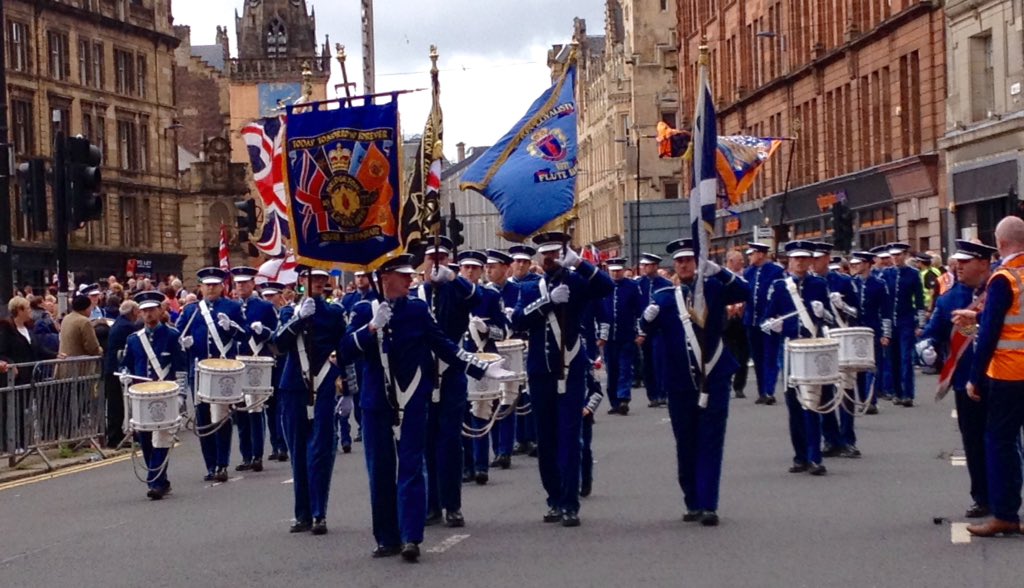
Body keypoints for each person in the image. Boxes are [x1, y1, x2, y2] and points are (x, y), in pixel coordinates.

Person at [344, 253, 512, 561]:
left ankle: (411, 536)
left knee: (411, 467)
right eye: (403, 275)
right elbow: (343, 352)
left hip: (413, 400)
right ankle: (387, 538)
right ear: (385, 278)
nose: (410, 279)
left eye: (410, 275)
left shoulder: (418, 311)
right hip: (377, 404)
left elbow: (445, 346)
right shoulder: (361, 310)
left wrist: (481, 368)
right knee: (380, 471)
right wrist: (370, 329)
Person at [639, 239, 749, 525]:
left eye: (689, 260)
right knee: (685, 443)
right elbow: (641, 337)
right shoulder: (664, 298)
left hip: (714, 376)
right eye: (680, 261)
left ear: (697, 263)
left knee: (711, 441)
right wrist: (645, 320)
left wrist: (720, 271)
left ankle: (709, 503)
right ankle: (692, 500)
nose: (684, 265)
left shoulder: (712, 288)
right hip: (679, 383)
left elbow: (743, 291)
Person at [511, 232, 614, 527]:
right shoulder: (531, 288)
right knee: (546, 439)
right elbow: (517, 321)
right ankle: (554, 498)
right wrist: (546, 303)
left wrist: (580, 264)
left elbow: (605, 287)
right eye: (544, 254)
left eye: (555, 253)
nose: (549, 259)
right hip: (540, 372)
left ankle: (570, 503)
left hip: (570, 371)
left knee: (569, 438)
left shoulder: (577, 282)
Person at [921, 240, 996, 520]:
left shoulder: (998, 290)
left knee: (1002, 440)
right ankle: (982, 497)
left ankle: (1005, 496)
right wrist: (926, 346)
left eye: (966, 261)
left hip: (998, 377)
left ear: (984, 263)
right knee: (974, 441)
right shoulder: (949, 298)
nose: (959, 266)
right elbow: (934, 331)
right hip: (965, 380)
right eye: (958, 261)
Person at [414, 236, 482, 528]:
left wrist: (454, 279)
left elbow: (476, 299)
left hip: (452, 371)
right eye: (432, 260)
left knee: (450, 443)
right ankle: (431, 505)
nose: (435, 265)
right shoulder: (417, 294)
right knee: (426, 442)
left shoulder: (457, 291)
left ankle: (453, 505)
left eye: (441, 260)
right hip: (424, 373)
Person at [274, 268, 345, 536]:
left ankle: (319, 513)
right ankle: (301, 513)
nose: (316, 283)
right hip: (294, 385)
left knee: (321, 451)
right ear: (301, 281)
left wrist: (348, 389)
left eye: (320, 279)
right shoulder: (287, 312)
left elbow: (345, 348)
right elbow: (278, 344)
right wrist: (298, 320)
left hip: (324, 384)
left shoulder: (334, 313)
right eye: (310, 278)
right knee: (298, 452)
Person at [966, 217, 1024, 537]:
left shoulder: (1004, 278)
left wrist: (975, 377)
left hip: (1010, 373)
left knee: (1001, 442)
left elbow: (989, 332)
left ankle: (1005, 514)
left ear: (1000, 244)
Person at [762, 241, 833, 475]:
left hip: (813, 346)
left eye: (804, 258)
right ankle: (800, 456)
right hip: (791, 348)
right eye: (796, 259)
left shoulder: (819, 284)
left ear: (810, 261)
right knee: (794, 403)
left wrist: (823, 313)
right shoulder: (780, 286)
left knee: (812, 401)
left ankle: (815, 457)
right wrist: (775, 325)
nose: (800, 263)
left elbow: (831, 319)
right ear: (789, 261)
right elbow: (766, 320)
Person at [175, 267, 247, 482]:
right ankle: (210, 465)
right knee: (204, 419)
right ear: (200, 287)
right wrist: (184, 345)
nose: (210, 288)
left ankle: (222, 463)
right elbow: (179, 336)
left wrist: (231, 327)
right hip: (198, 371)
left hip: (222, 369)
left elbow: (245, 333)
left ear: (222, 286)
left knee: (222, 418)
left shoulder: (232, 307)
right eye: (207, 285)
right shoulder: (191, 311)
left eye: (215, 285)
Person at [119, 291, 187, 500]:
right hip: (142, 395)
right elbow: (127, 364)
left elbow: (181, 368)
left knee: (162, 438)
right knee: (146, 439)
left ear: (160, 310)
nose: (148, 314)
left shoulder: (173, 336)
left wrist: (181, 394)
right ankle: (161, 478)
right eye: (145, 311)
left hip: (165, 393)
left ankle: (155, 481)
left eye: (152, 310)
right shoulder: (134, 339)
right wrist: (124, 374)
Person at [458, 250, 509, 485]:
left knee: (481, 410)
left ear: (480, 271)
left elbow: (505, 330)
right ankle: (466, 465)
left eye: (474, 268)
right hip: (457, 360)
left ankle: (480, 465)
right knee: (460, 413)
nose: (470, 272)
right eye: (466, 268)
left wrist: (487, 331)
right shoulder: (450, 293)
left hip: (483, 358)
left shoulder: (489, 296)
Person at [231, 266, 279, 472]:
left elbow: (277, 335)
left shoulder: (265, 307)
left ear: (252, 284)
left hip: (257, 360)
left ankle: (257, 455)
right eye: (238, 283)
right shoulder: (232, 307)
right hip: (238, 361)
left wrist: (264, 331)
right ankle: (246, 455)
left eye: (244, 283)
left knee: (255, 408)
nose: (241, 286)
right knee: (240, 411)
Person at [485, 249, 521, 469]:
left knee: (509, 398)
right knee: (490, 400)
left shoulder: (517, 290)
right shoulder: (482, 292)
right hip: (488, 352)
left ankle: (505, 449)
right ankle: (496, 447)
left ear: (506, 268)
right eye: (487, 267)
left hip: (513, 350)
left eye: (494, 266)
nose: (489, 270)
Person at [847, 252, 891, 416]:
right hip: (856, 329)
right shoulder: (852, 283)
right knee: (857, 367)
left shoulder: (879, 284)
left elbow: (886, 311)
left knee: (872, 366)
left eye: (859, 263)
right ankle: (861, 399)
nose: (856, 266)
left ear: (867, 264)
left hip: (873, 330)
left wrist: (886, 334)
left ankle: (871, 401)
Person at [597, 257, 642, 414]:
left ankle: (624, 398)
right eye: (613, 271)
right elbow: (599, 313)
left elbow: (639, 311)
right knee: (612, 370)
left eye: (618, 271)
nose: (615, 274)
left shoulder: (632, 287)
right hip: (609, 338)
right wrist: (600, 335)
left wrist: (640, 332)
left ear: (623, 270)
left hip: (627, 335)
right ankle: (614, 402)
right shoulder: (603, 287)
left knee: (625, 368)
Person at [883, 243, 925, 406]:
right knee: (892, 357)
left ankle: (908, 393)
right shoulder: (886, 274)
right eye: (893, 256)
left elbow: (919, 299)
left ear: (905, 255)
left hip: (906, 319)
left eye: (899, 255)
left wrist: (920, 324)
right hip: (890, 321)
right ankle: (897, 392)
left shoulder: (913, 274)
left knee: (906, 357)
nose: (895, 258)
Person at [743, 243, 785, 405]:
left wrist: (778, 315)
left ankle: (769, 390)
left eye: (752, 254)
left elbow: (780, 294)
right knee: (757, 356)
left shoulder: (775, 271)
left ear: (760, 254)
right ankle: (762, 391)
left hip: (769, 320)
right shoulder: (749, 272)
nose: (750, 257)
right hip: (751, 321)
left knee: (770, 355)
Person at [340, 270, 378, 445]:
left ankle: (366, 426)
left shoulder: (376, 296)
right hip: (353, 349)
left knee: (367, 387)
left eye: (364, 276)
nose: (360, 279)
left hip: (370, 348)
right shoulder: (348, 299)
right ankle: (360, 424)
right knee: (354, 390)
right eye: (358, 276)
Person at [509, 244, 539, 456]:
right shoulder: (505, 286)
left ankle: (534, 435)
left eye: (524, 262)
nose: (520, 265)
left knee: (530, 392)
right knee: (513, 394)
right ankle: (520, 438)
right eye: (517, 261)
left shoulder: (537, 284)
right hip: (509, 344)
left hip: (529, 341)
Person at [636, 253, 672, 408]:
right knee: (647, 363)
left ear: (655, 266)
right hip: (644, 329)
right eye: (643, 265)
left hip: (660, 329)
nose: (644, 268)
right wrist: (639, 331)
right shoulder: (639, 284)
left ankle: (662, 392)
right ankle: (652, 395)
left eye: (648, 265)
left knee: (660, 361)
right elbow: (636, 309)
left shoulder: (665, 284)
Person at [260, 282, 290, 462]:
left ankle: (284, 445)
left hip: (283, 364)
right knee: (270, 408)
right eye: (266, 297)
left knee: (282, 407)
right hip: (266, 365)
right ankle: (275, 445)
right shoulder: (263, 315)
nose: (269, 300)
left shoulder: (286, 314)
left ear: (280, 296)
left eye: (272, 296)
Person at [104, 300, 141, 448]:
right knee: (117, 405)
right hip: (116, 369)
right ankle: (114, 437)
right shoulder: (127, 327)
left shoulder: (120, 323)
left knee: (117, 404)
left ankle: (116, 435)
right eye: (137, 312)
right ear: (132, 312)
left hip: (114, 368)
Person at [723, 250, 748, 399]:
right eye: (739, 260)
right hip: (726, 321)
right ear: (730, 261)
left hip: (742, 319)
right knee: (727, 353)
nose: (742, 262)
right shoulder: (722, 277)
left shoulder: (745, 276)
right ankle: (726, 381)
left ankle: (739, 386)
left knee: (743, 355)